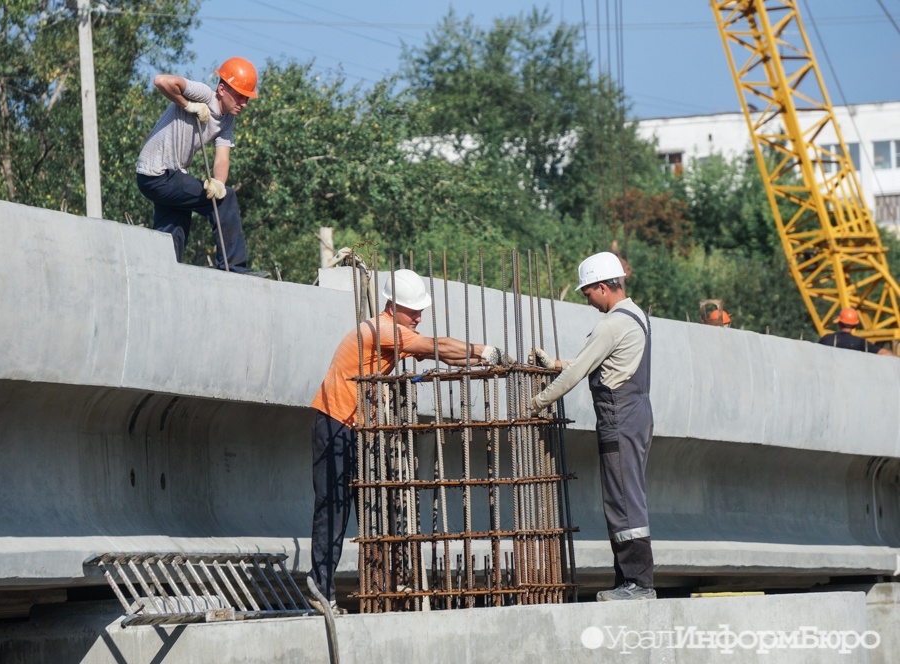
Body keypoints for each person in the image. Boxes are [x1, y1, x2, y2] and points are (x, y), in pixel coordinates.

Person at [307, 269, 509, 614]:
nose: (419, 316)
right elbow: (439, 346)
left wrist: (482, 360)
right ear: (392, 306)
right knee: (334, 508)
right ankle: (319, 591)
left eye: (420, 310)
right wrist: (484, 350)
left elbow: (440, 354)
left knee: (369, 506)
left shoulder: (394, 331)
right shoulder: (384, 331)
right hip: (335, 422)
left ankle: (372, 586)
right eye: (412, 310)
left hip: (354, 425)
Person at [529, 251, 656, 601]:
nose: (588, 300)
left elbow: (578, 372)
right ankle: (629, 581)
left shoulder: (612, 322)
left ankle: (638, 585)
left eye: (587, 293)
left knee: (623, 500)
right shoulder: (636, 317)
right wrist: (556, 362)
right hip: (635, 414)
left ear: (603, 286)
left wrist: (538, 403)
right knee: (625, 496)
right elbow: (600, 361)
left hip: (620, 417)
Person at [136, 57, 268, 277]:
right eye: (239, 96)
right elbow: (161, 81)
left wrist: (219, 183)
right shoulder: (204, 94)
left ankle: (163, 272)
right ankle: (233, 268)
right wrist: (188, 105)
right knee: (226, 201)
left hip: (165, 177)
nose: (243, 103)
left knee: (176, 223)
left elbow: (222, 157)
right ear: (223, 89)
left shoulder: (227, 121)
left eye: (247, 99)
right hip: (157, 172)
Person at [818, 308, 893, 355]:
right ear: (855, 325)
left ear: (839, 323)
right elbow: (885, 353)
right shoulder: (862, 343)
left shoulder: (827, 339)